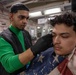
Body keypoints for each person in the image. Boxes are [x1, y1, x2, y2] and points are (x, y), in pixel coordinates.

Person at [0, 3, 53, 75]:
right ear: (11, 16)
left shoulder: (25, 33)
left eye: (27, 18)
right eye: (21, 17)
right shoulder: (3, 38)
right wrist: (34, 49)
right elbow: (9, 65)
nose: (25, 21)